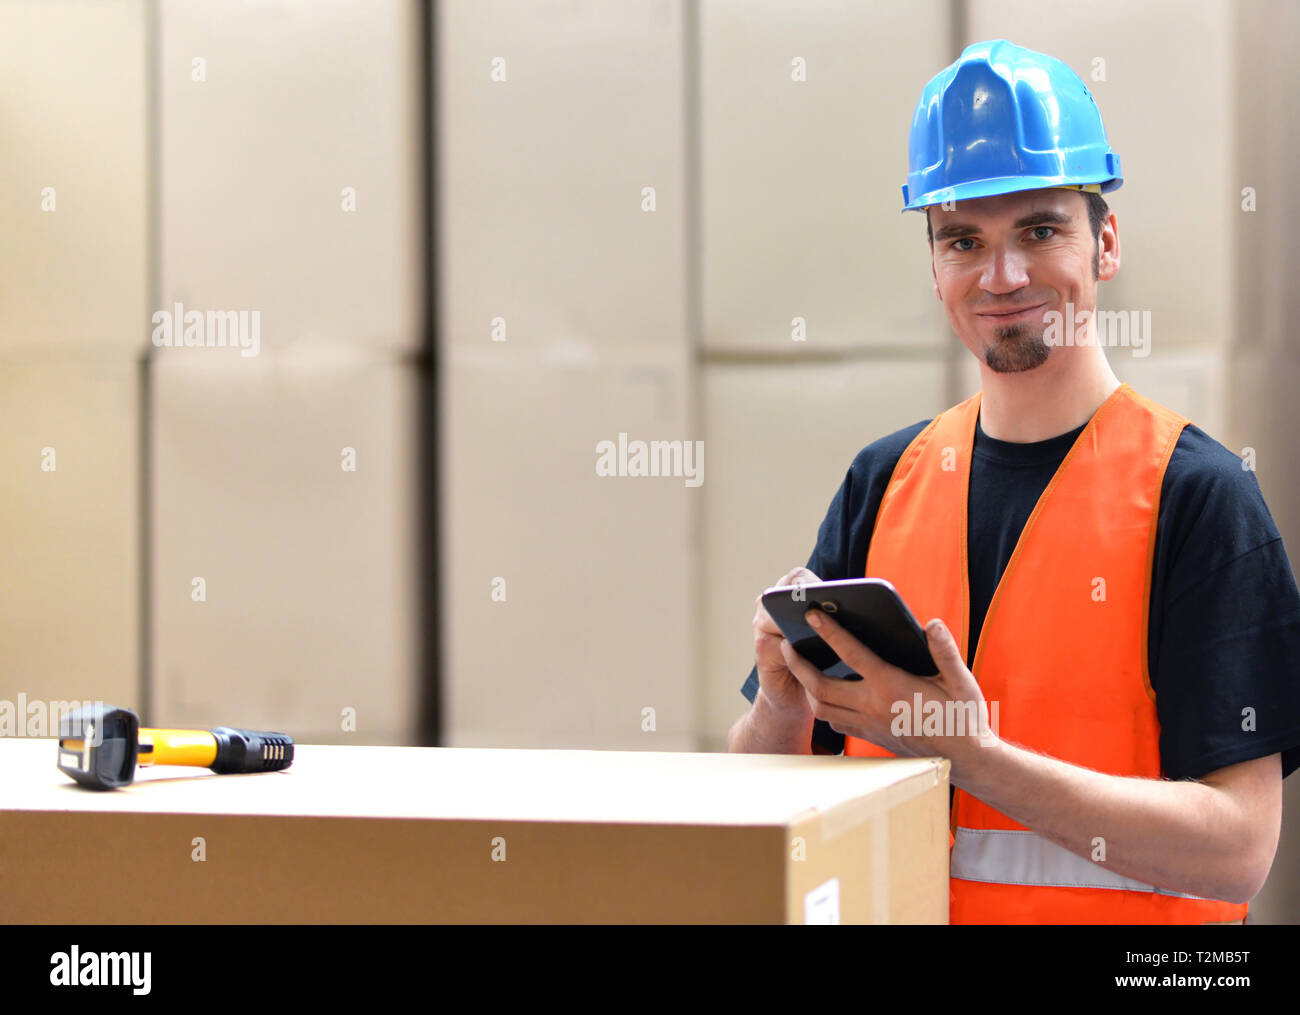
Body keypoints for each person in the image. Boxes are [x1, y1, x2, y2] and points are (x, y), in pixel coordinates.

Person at [726, 39, 1300, 924]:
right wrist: (779, 699)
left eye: (1039, 229)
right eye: (964, 240)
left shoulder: (1197, 498)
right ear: (934, 267)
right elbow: (767, 801)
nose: (1002, 276)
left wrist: (976, 755)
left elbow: (1239, 850)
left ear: (1105, 241)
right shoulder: (886, 481)